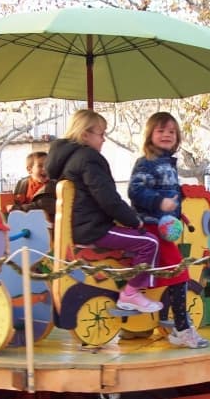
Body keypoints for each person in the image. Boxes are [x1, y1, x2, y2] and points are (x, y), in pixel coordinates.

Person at [46, 109, 162, 315]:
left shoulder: (67, 160)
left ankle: (123, 287)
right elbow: (107, 199)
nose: (104, 139)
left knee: (134, 242)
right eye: (101, 134)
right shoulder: (89, 159)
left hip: (82, 225)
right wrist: (134, 221)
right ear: (85, 135)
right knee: (149, 242)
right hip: (94, 229)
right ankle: (132, 293)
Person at [129, 111, 209, 349]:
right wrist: (159, 202)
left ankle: (176, 325)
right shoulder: (146, 162)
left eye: (171, 132)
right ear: (149, 135)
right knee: (180, 274)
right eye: (161, 130)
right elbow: (135, 191)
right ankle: (183, 329)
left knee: (177, 274)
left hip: (164, 228)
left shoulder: (168, 164)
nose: (166, 135)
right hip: (152, 225)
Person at [11, 151, 57, 222]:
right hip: (24, 223)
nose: (45, 169)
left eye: (48, 165)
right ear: (29, 170)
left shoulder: (52, 185)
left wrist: (18, 208)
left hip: (45, 226)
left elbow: (43, 205)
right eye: (40, 166)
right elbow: (15, 201)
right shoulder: (22, 183)